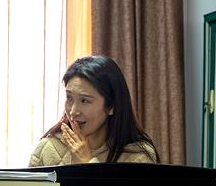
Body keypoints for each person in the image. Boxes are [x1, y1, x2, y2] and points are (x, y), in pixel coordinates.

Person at [29, 55, 159, 166]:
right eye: (69, 98)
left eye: (84, 101)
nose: (73, 111)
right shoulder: (47, 148)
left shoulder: (138, 156)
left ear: (111, 106)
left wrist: (87, 162)